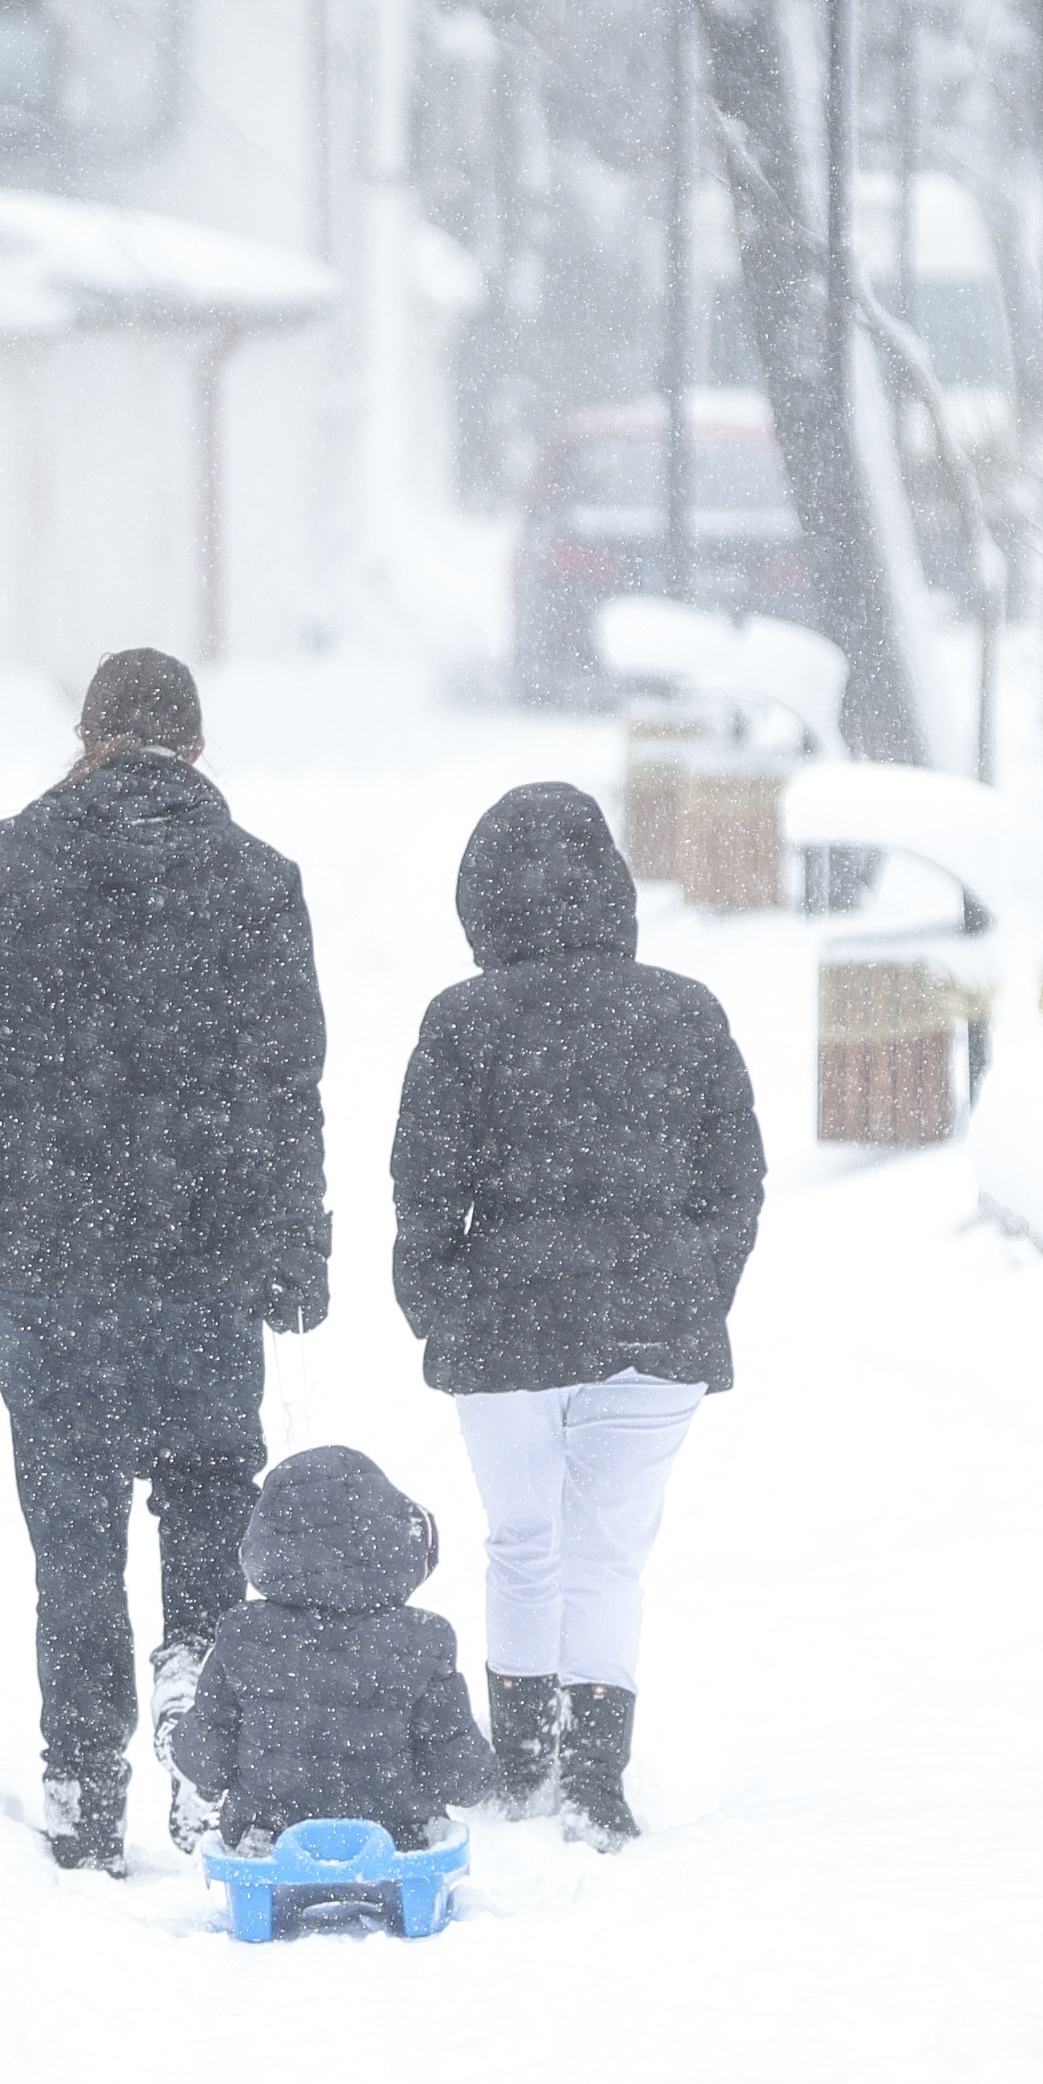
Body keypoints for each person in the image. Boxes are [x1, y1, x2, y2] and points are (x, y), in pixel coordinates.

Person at [0, 649, 329, 1874]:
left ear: (85, 738)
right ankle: (201, 1711)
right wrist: (295, 1244)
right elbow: (289, 1086)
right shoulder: (259, 883)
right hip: (206, 1255)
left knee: (72, 1527)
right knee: (211, 1495)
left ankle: (83, 1779)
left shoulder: (2, 862)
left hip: (50, 1256)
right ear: (196, 748)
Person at [389, 782, 764, 1849]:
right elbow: (734, 1179)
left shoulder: (464, 1022)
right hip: (659, 1322)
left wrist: (435, 1298)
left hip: (505, 1323)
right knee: (610, 1553)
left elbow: (423, 1182)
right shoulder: (685, 1012)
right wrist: (697, 1280)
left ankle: (522, 1764)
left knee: (521, 1543)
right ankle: (597, 1777)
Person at [168, 1446, 498, 1853]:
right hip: (394, 1845)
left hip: (269, 1843)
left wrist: (181, 1738)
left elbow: (206, 1761)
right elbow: (460, 1776)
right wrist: (486, 1772)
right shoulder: (422, 1641)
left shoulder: (243, 1635)